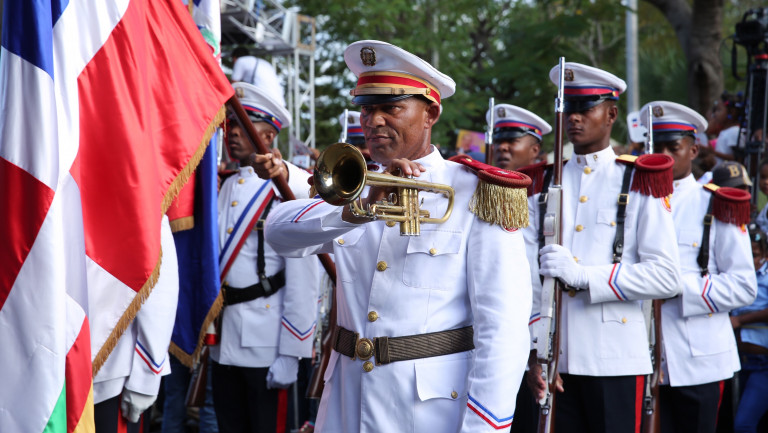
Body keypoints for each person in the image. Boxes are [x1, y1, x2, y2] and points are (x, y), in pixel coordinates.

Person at [263, 39, 533, 433]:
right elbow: (278, 232)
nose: (373, 121)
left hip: (428, 414)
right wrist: (358, 208)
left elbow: (503, 329)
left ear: (430, 113)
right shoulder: (354, 185)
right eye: (366, 109)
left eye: (391, 108)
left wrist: (484, 427)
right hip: (346, 407)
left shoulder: (477, 191)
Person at [523, 62, 681, 433]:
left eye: (585, 107)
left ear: (611, 114)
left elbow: (667, 277)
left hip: (616, 359)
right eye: (568, 108)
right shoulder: (542, 182)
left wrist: (585, 276)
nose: (573, 118)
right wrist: (533, 350)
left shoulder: (639, 179)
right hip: (556, 358)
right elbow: (527, 277)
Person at [639, 100, 757, 433]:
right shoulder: (634, 203)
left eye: (673, 148)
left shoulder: (716, 203)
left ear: (693, 150)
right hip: (639, 356)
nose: (663, 156)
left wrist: (678, 288)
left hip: (699, 360)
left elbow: (743, 286)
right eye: (656, 147)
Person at [211, 82, 319, 433]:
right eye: (231, 124)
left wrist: (292, 351)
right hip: (224, 340)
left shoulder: (286, 188)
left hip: (267, 343)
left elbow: (303, 277)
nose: (232, 133)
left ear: (269, 136)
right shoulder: (225, 185)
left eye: (243, 126)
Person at [93, 216, 179, 432]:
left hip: (112, 374)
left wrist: (146, 377)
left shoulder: (139, 204)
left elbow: (159, 290)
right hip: (63, 366)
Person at [731, 224, 768, 433]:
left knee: (744, 424)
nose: (750, 260)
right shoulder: (735, 276)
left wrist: (740, 320)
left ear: (765, 255)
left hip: (763, 365)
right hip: (738, 363)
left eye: (754, 255)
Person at [487, 104, 551, 171]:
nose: (501, 147)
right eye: (497, 142)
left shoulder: (552, 177)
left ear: (535, 150)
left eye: (511, 141)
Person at [705, 91, 746, 165]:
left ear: (732, 112)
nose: (715, 114)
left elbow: (738, 158)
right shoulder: (726, 131)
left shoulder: (734, 132)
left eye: (718, 110)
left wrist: (714, 152)